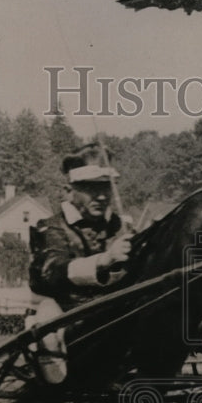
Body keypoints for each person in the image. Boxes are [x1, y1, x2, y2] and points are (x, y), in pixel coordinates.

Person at [27, 145, 132, 384]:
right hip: (65, 318)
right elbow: (52, 271)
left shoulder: (120, 227)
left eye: (105, 186)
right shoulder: (49, 227)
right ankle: (51, 355)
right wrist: (105, 260)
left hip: (113, 316)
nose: (102, 196)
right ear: (68, 191)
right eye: (91, 188)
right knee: (47, 312)